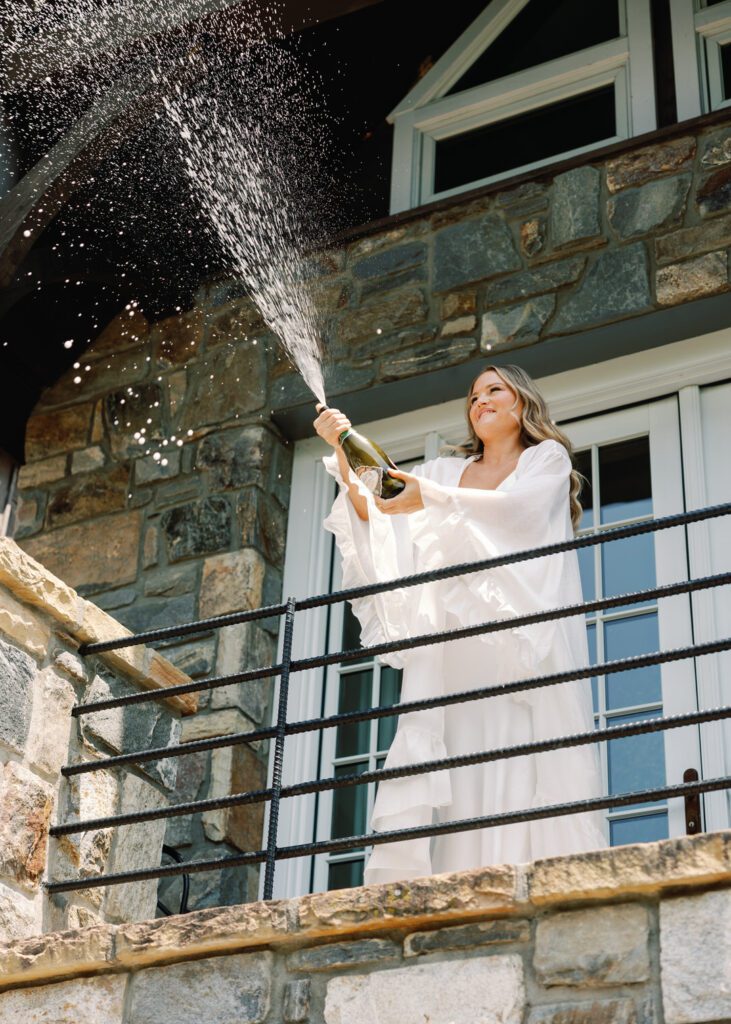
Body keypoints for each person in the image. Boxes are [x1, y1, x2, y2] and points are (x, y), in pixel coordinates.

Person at [314, 365, 606, 885]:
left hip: (514, 648)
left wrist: (429, 497)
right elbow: (378, 506)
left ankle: (516, 875)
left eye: (494, 390)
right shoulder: (445, 473)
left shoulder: (545, 459)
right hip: (451, 652)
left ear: (523, 402)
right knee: (456, 755)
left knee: (516, 753)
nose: (481, 401)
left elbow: (519, 513)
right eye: (473, 396)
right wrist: (342, 443)